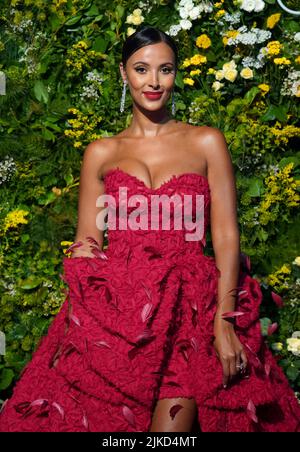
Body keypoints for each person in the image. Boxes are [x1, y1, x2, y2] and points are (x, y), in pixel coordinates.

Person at [0, 26, 299, 433]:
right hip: (119, 318)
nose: (154, 81)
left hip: (188, 313)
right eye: (142, 69)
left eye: (165, 70)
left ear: (176, 75)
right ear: (125, 74)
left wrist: (224, 321)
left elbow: (227, 237)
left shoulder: (207, 142)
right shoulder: (101, 152)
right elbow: (88, 243)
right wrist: (81, 330)